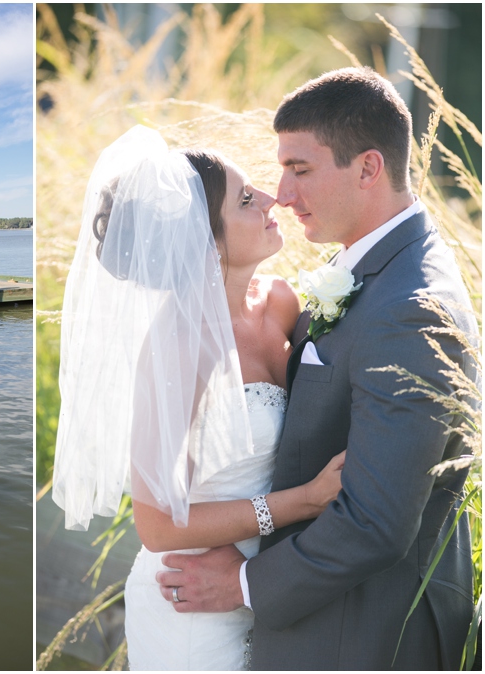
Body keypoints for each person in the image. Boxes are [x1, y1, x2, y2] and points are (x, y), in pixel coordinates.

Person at [157, 67, 477, 670]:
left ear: (368, 168)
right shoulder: (371, 266)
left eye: (300, 169)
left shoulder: (409, 306)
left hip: (360, 634)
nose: (282, 192)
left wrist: (243, 585)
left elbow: (377, 520)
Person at [51, 124, 345, 670]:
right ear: (206, 243)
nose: (271, 197)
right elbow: (157, 524)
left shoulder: (280, 301)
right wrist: (301, 502)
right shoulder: (179, 348)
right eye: (244, 199)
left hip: (265, 582)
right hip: (190, 598)